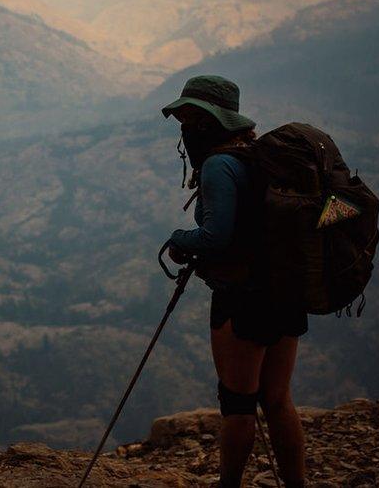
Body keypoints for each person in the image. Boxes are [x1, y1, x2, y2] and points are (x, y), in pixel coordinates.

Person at [160, 75, 308, 488]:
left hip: (244, 299)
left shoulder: (218, 166)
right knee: (277, 399)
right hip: (285, 292)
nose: (185, 129)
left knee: (239, 403)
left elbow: (216, 236)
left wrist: (178, 238)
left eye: (190, 119)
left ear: (210, 121)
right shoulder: (257, 156)